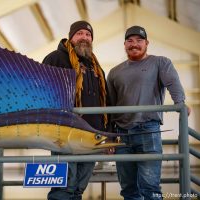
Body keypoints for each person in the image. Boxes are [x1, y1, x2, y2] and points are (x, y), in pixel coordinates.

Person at [107, 25, 191, 200]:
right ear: (124, 44)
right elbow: (110, 105)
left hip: (148, 131)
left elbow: (173, 83)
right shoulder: (114, 72)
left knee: (150, 187)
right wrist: (110, 136)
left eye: (139, 40)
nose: (134, 44)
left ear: (147, 43)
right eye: (130, 41)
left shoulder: (160, 62)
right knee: (128, 189)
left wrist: (180, 103)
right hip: (121, 134)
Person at [43, 20, 110, 200]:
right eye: (80, 33)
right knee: (63, 187)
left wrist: (108, 134)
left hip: (91, 135)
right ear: (71, 37)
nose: (85, 38)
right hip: (65, 134)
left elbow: (106, 102)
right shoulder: (55, 58)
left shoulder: (97, 68)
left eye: (88, 35)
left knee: (79, 187)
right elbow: (42, 92)